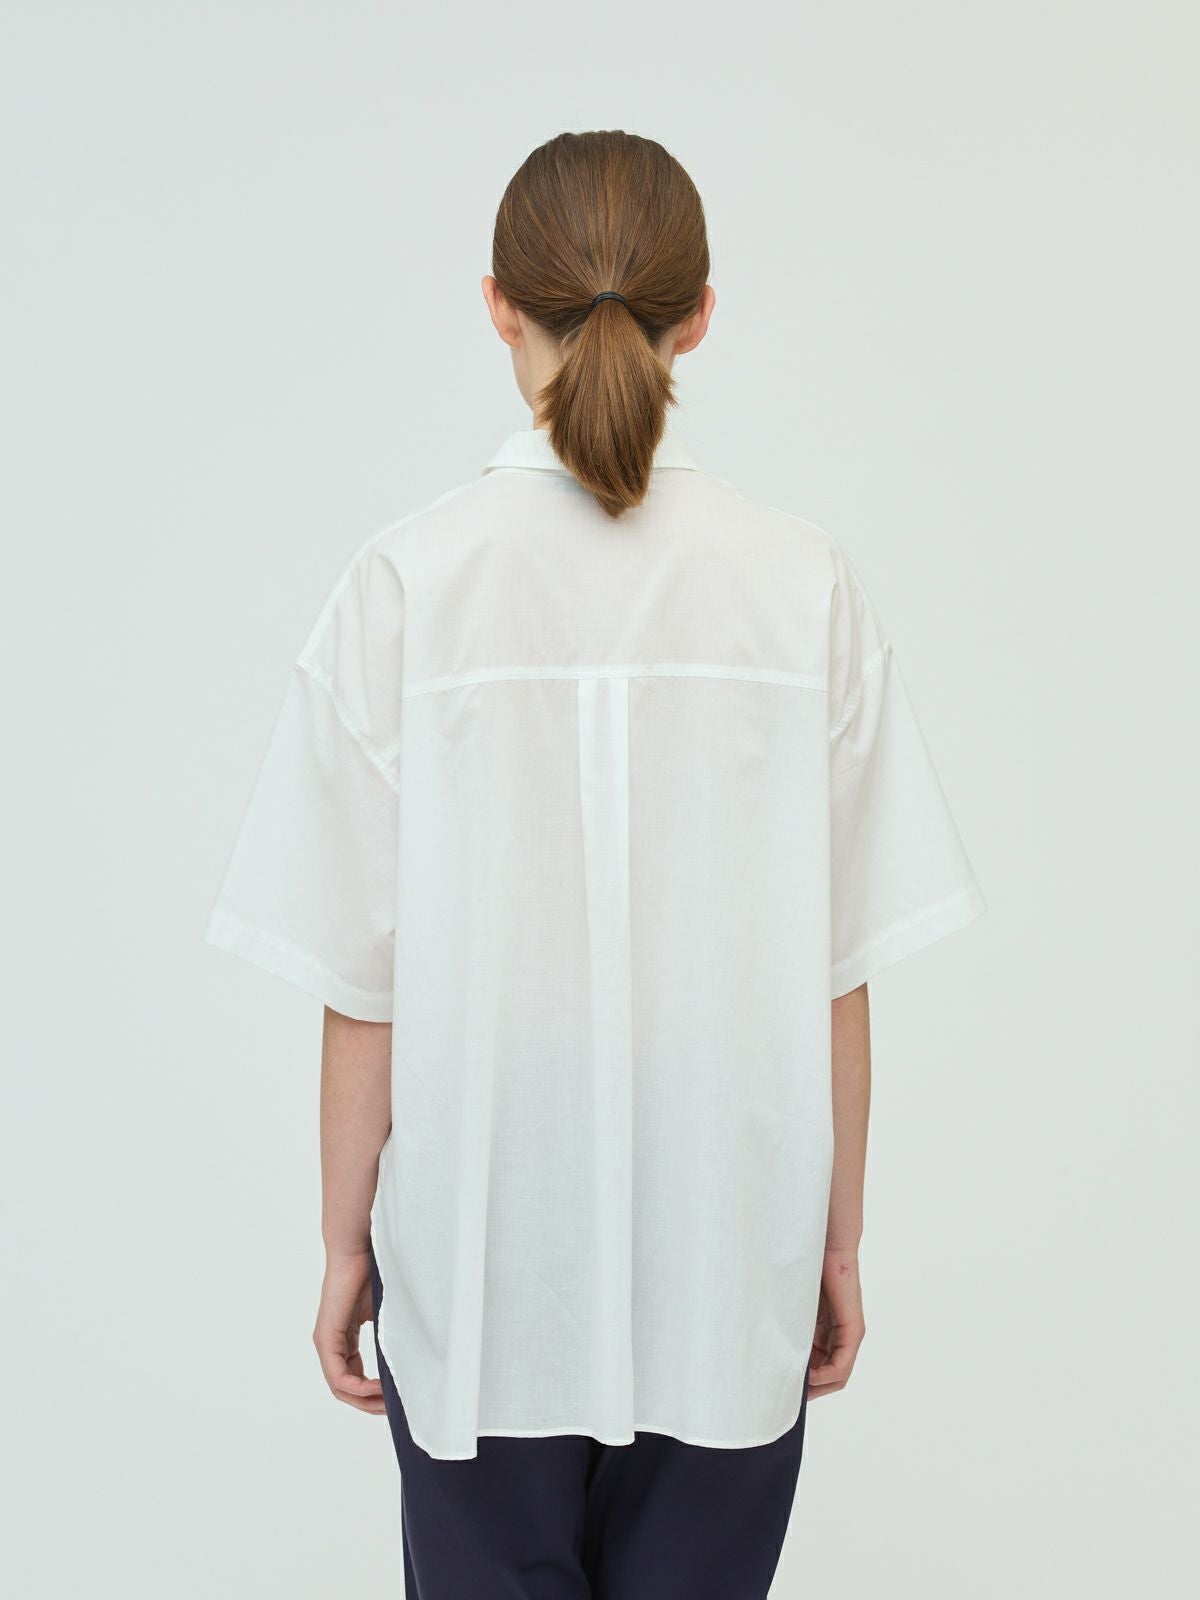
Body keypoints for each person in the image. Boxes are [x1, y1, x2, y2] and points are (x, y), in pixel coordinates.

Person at [204, 129, 987, 1598]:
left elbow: (363, 989)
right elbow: (837, 973)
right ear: (702, 317)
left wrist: (344, 1244)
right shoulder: (802, 585)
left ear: (499, 305)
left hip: (480, 1266)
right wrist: (836, 1245)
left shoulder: (408, 583)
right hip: (731, 1258)